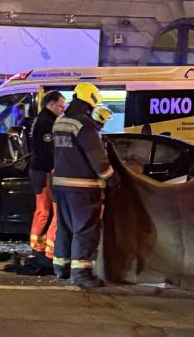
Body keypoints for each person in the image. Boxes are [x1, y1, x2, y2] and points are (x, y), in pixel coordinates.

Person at [51, 82, 120, 288]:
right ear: (90, 100)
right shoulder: (85, 124)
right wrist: (112, 179)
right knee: (85, 229)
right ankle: (81, 274)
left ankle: (61, 268)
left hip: (61, 185)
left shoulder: (61, 122)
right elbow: (97, 157)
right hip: (83, 187)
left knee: (64, 228)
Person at [23, 91, 66, 275]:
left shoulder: (40, 119)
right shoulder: (47, 122)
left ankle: (37, 248)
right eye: (60, 106)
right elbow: (49, 149)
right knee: (45, 212)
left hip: (38, 169)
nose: (62, 110)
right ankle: (44, 250)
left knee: (43, 211)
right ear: (51, 104)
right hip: (44, 171)